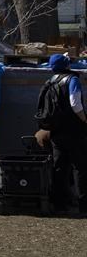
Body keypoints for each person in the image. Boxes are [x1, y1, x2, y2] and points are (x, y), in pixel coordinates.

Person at [36, 54, 87, 213]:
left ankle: (59, 204)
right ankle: (83, 204)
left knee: (60, 168)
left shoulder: (50, 82)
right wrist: (84, 120)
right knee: (81, 168)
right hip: (74, 131)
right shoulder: (72, 80)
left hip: (55, 132)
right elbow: (75, 104)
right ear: (67, 65)